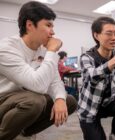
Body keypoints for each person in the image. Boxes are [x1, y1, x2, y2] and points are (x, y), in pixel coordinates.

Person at [0, 1, 77, 140]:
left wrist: (59, 99)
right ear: (29, 25)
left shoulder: (43, 50)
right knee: (35, 101)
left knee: (69, 101)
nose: (53, 32)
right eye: (48, 25)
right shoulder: (6, 48)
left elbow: (55, 81)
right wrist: (52, 50)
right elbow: (38, 86)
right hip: (3, 101)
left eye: (52, 26)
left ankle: (25, 130)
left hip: (24, 100)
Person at [77, 16, 115, 140]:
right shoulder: (86, 57)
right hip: (89, 109)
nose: (114, 38)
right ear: (96, 35)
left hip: (109, 103)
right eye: (109, 33)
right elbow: (93, 77)